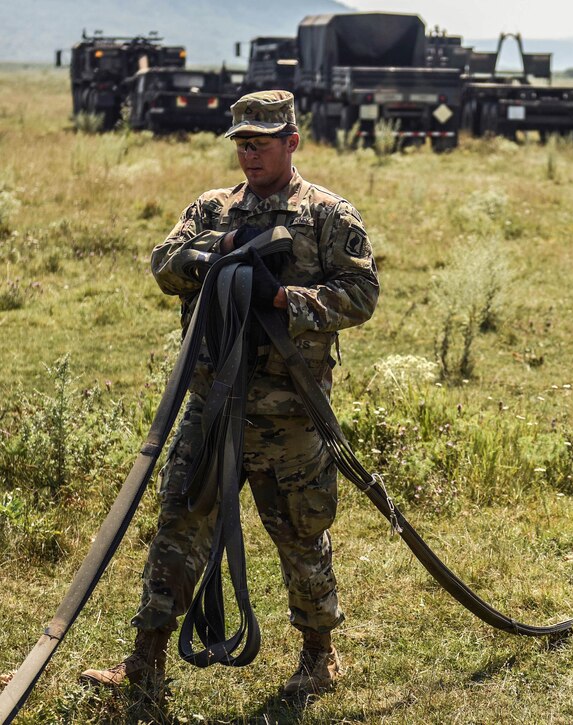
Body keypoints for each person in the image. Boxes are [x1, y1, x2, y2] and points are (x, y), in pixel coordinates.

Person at [79, 90, 379, 695]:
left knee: (299, 530)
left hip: (289, 412)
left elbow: (360, 295)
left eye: (261, 143)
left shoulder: (328, 215)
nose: (249, 154)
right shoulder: (211, 209)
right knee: (179, 526)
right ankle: (146, 662)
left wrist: (281, 298)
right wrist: (213, 255)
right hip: (213, 404)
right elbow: (164, 266)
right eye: (241, 143)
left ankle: (320, 657)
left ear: (291, 142)